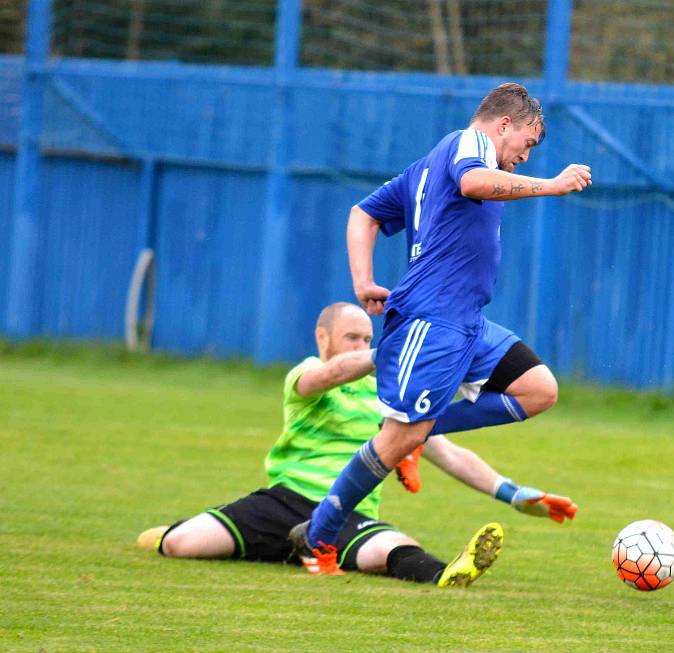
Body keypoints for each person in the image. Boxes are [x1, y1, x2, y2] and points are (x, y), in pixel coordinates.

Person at [292, 82, 588, 573]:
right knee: (395, 440)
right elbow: (473, 182)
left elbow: (363, 214)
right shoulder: (469, 144)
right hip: (430, 322)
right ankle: (317, 536)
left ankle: (421, 435)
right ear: (504, 125)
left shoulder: (425, 167)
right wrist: (550, 186)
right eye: (527, 144)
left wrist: (364, 280)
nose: (525, 158)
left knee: (539, 389)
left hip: (467, 321)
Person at [137, 302, 577, 587]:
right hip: (282, 502)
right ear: (322, 338)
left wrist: (516, 494)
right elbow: (328, 375)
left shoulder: (395, 399)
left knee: (391, 549)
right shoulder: (305, 376)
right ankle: (250, 538)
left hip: (350, 512)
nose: (363, 346)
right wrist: (385, 351)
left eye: (369, 338)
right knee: (181, 546)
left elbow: (448, 453)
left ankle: (449, 572)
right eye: (354, 338)